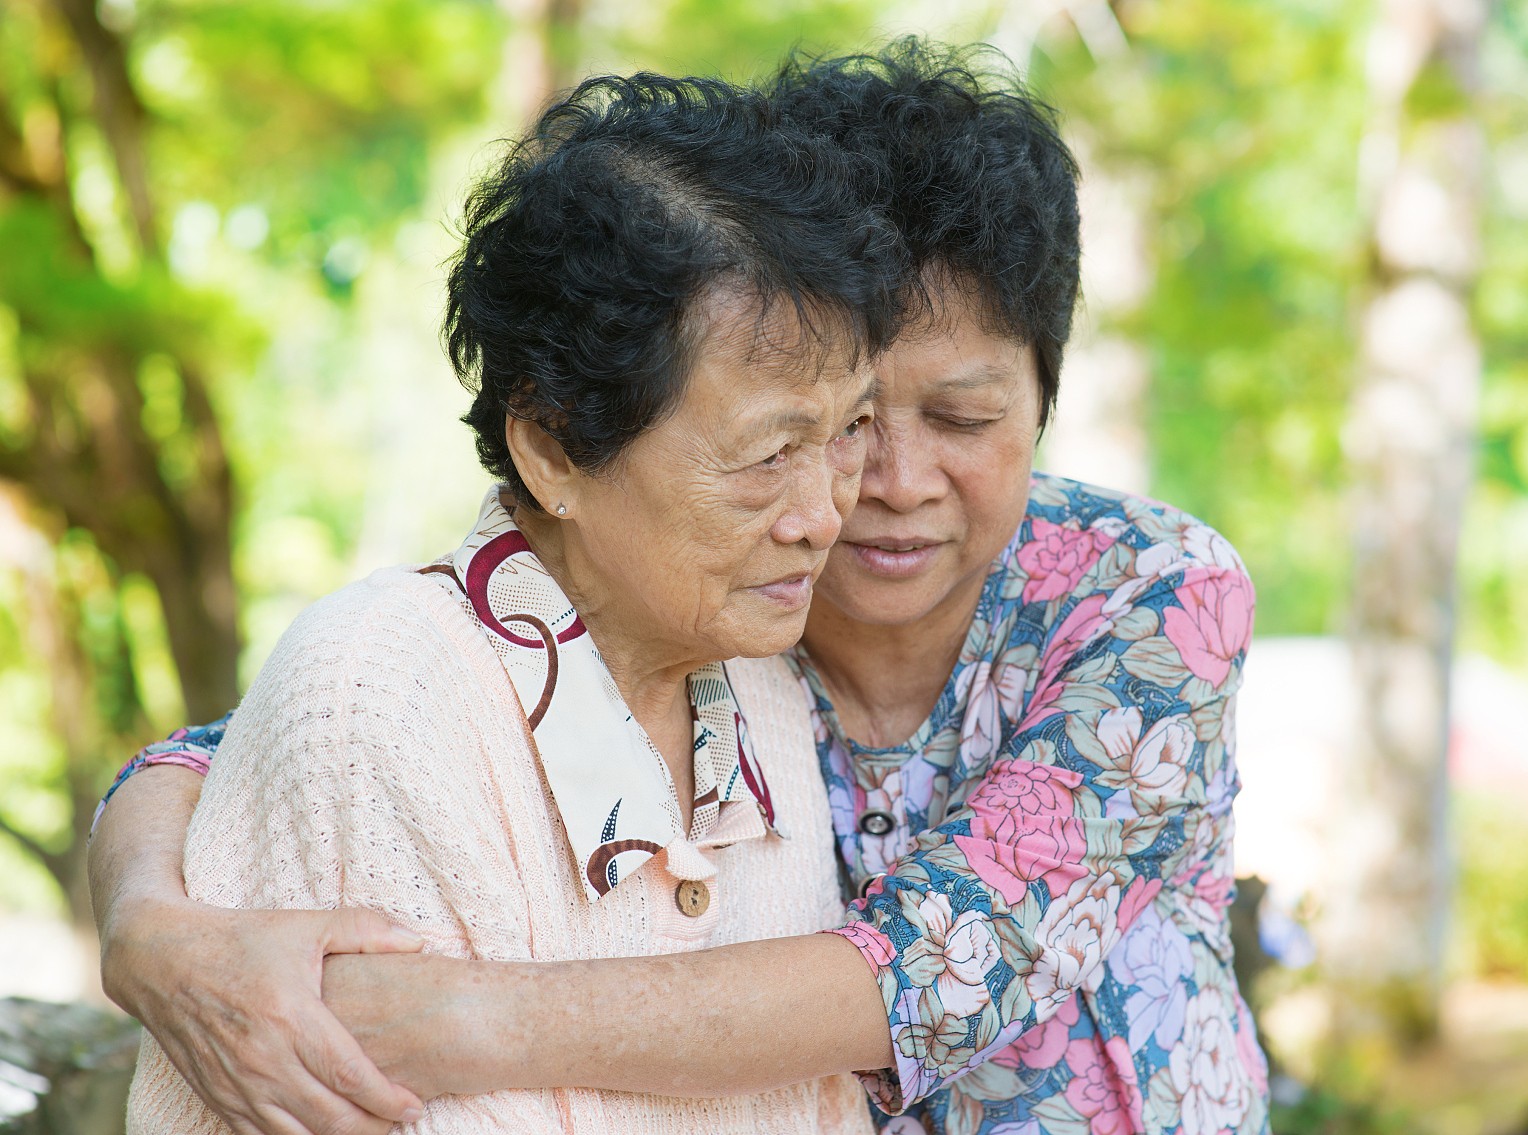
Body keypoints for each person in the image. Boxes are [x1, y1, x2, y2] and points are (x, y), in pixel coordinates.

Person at [92, 41, 1272, 1135]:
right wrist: (151, 930)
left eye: (963, 417)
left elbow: (941, 960)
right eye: (842, 420)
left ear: (1043, 404)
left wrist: (458, 1020)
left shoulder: (1147, 596)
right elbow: (257, 739)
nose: (883, 486)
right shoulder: (722, 588)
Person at [120, 70, 907, 1135]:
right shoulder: (380, 693)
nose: (825, 512)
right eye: (769, 453)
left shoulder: (758, 682)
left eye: (847, 429)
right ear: (550, 447)